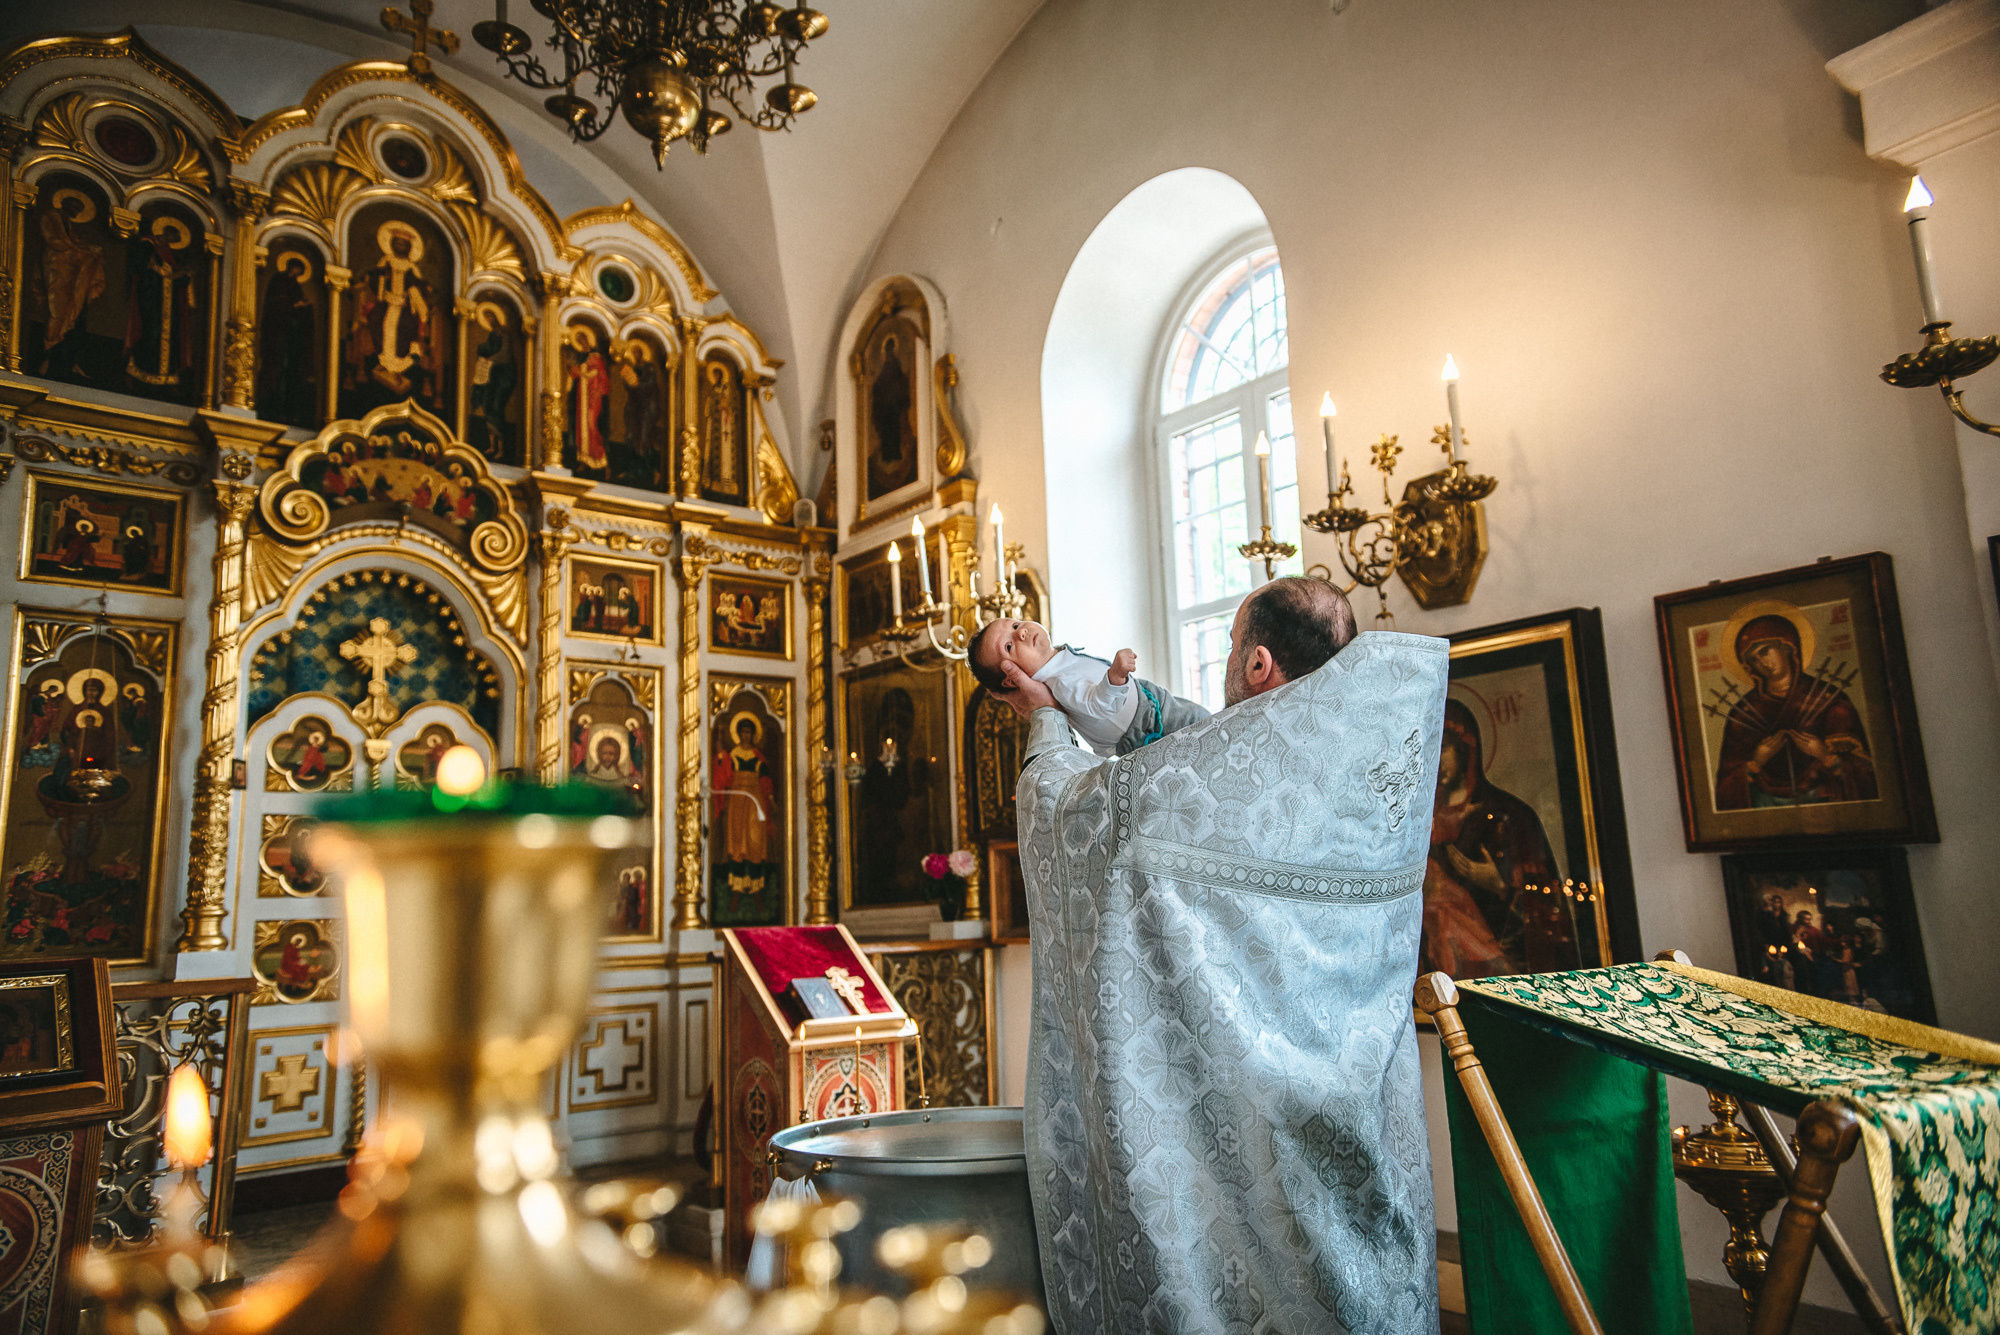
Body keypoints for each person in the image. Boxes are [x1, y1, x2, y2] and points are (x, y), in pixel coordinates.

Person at [1001, 576, 1443, 1334]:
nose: (1229, 666)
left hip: (1255, 1134)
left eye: (1233, 650)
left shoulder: (1218, 778)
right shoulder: (1366, 769)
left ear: (1260, 663)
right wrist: (1125, 702)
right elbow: (1201, 736)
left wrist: (1046, 723)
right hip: (1362, 1110)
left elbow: (1069, 815)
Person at [969, 619, 1207, 756]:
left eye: (1015, 624)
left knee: (1209, 727)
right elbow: (1099, 705)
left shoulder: (1058, 661)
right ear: (1011, 678)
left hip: (1148, 702)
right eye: (1008, 647)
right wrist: (1115, 675)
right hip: (1146, 726)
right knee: (1207, 728)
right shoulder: (1059, 683)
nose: (1021, 632)